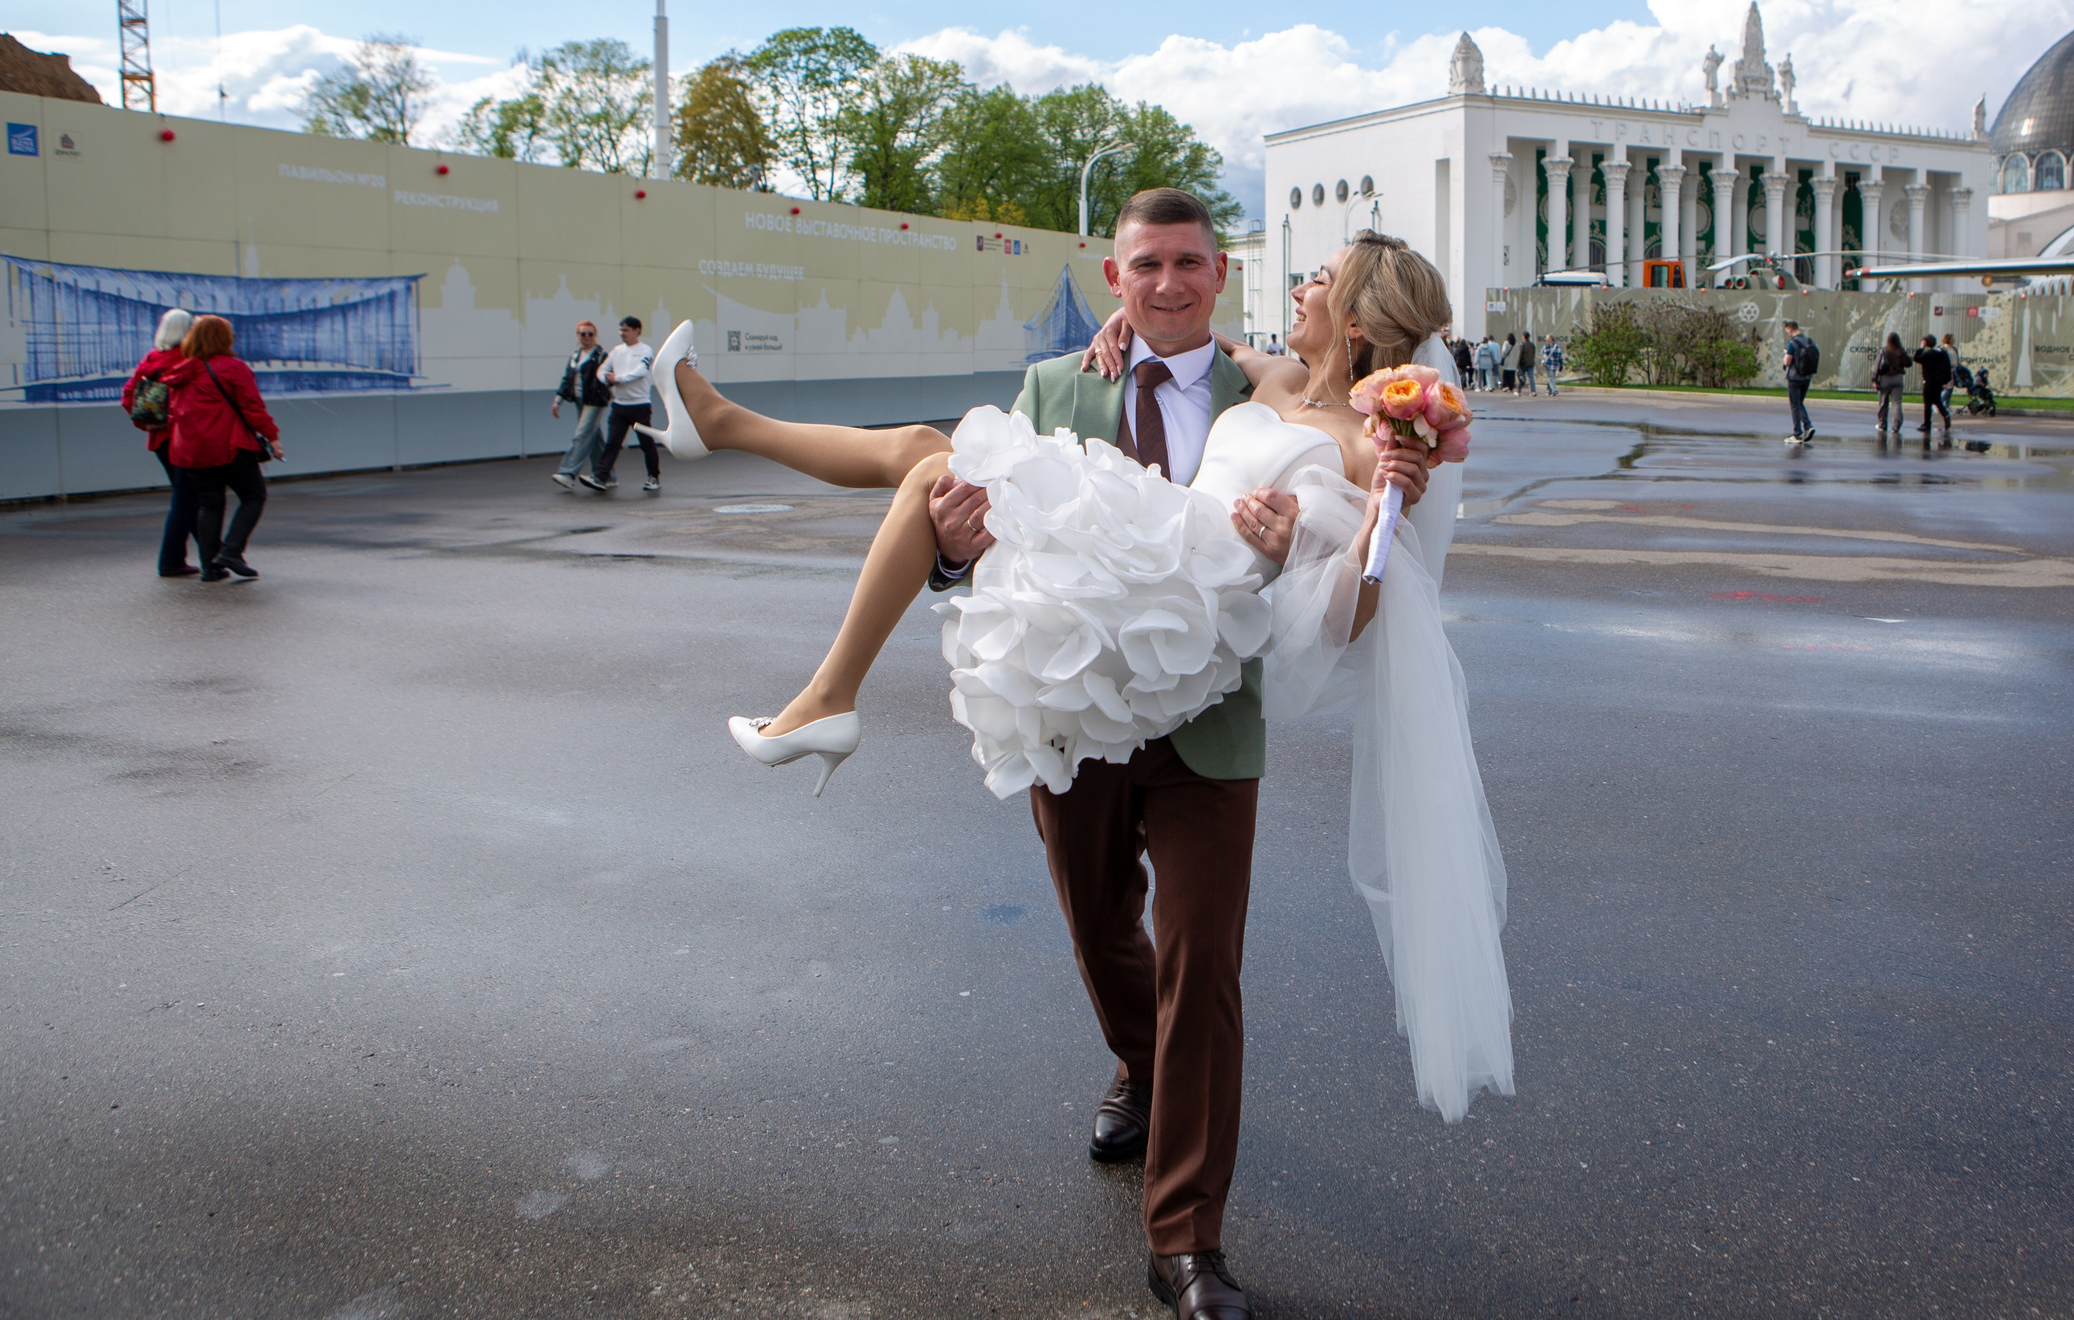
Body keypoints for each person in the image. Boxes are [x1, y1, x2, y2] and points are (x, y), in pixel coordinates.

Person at [646, 203, 1497, 1320]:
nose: (1173, 283)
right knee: (1098, 925)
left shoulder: (1303, 410)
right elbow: (980, 550)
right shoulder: (1145, 378)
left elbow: (1358, 598)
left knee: (1204, 971)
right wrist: (952, 554)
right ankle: (1139, 1065)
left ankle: (1186, 1240)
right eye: (1147, 266)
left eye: (1192, 264)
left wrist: (1328, 534)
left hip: (1208, 698)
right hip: (1073, 683)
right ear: (1119, 275)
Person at [159, 314, 281, 582]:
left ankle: (210, 566)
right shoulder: (233, 368)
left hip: (191, 451)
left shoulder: (181, 372)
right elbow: (252, 407)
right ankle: (232, 551)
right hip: (228, 446)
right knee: (253, 496)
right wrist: (272, 437)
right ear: (225, 338)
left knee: (209, 506)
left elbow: (174, 413)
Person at [121, 307, 202, 576]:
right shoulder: (192, 358)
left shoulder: (151, 359)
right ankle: (172, 560)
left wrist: (150, 422)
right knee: (187, 499)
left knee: (187, 497)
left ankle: (214, 552)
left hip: (160, 439)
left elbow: (128, 396)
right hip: (187, 438)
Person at [588, 316, 661, 492]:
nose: (623, 333)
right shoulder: (616, 351)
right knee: (612, 443)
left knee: (646, 444)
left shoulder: (645, 350)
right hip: (620, 405)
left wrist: (618, 378)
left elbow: (641, 371)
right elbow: (602, 370)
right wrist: (606, 379)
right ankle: (600, 477)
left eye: (626, 330)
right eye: (621, 330)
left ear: (637, 331)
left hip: (640, 405)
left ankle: (654, 477)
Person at [550, 320, 611, 489]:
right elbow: (567, 379)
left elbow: (609, 377)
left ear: (595, 335)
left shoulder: (601, 355)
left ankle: (567, 473)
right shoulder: (575, 356)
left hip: (595, 400)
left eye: (590, 334)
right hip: (580, 400)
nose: (586, 337)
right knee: (594, 438)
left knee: (582, 435)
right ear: (578, 335)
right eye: (583, 334)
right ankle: (607, 475)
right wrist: (558, 400)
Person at [1780, 320, 1819, 444]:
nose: (1787, 332)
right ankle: (1808, 426)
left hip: (1794, 378)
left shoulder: (1792, 343)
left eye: (1787, 329)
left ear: (1790, 328)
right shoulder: (1809, 341)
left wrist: (1786, 354)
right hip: (1806, 377)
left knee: (1794, 405)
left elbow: (1787, 362)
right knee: (1799, 402)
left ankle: (1797, 434)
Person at [1913, 333, 1954, 446]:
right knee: (1937, 401)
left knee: (1927, 403)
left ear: (1926, 343)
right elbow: (1947, 367)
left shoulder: (1928, 354)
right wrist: (1944, 380)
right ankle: (1945, 415)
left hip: (1929, 381)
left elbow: (1916, 358)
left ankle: (1927, 424)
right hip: (1939, 382)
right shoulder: (1942, 353)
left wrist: (1921, 347)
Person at [1872, 332, 1910, 439]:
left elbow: (1876, 366)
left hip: (1885, 379)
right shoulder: (1900, 351)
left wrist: (1874, 379)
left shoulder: (1884, 351)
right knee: (1897, 403)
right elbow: (1908, 363)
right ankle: (1896, 426)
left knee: (1883, 403)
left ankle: (1882, 424)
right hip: (1898, 379)